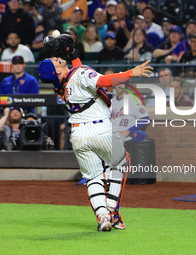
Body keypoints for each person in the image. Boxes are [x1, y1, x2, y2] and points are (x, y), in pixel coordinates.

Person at [38, 34, 153, 231]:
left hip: (79, 135)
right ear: (57, 70)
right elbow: (106, 81)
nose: (57, 58)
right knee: (120, 163)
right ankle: (112, 211)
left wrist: (73, 53)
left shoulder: (60, 86)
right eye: (55, 60)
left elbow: (79, 71)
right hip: (101, 129)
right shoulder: (78, 75)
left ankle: (102, 217)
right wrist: (133, 72)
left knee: (93, 177)